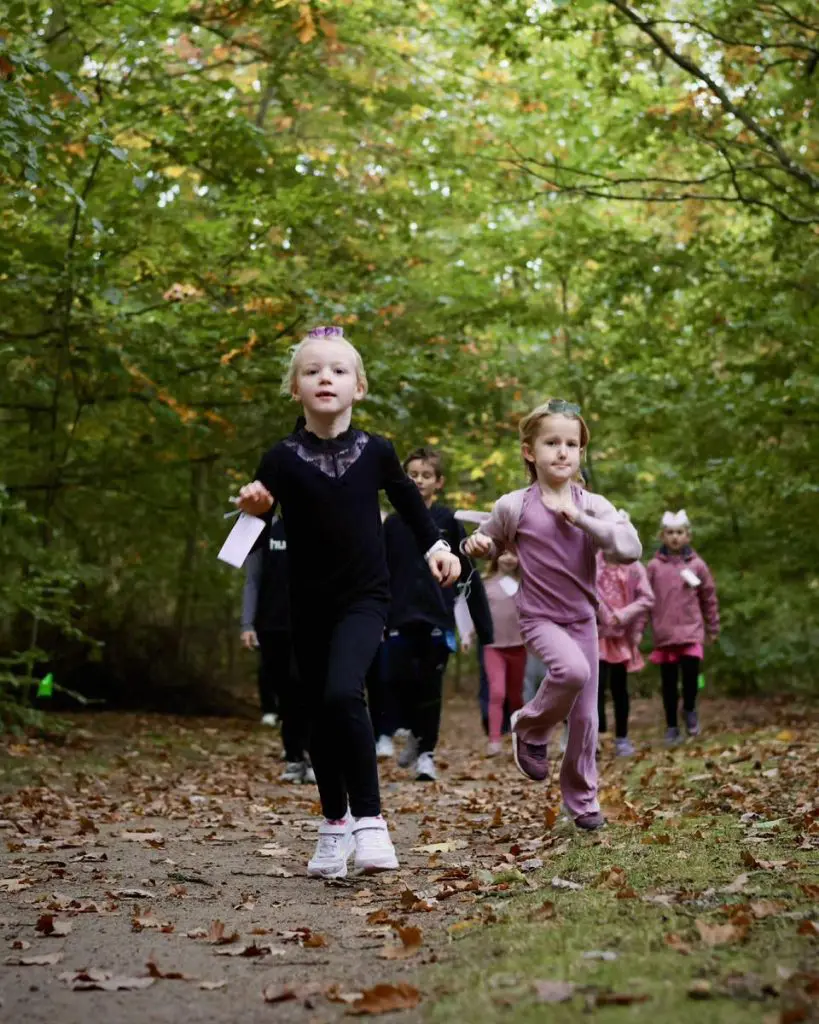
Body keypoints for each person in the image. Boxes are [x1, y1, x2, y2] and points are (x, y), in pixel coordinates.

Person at [236, 326, 461, 878]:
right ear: (296, 388)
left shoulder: (377, 451)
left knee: (343, 692)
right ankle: (333, 826)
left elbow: (410, 505)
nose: (325, 378)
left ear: (358, 386)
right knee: (318, 710)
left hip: (366, 598)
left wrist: (438, 548)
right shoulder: (280, 458)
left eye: (338, 370)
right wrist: (253, 511)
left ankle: (370, 821)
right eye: (312, 371)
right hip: (305, 605)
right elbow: (244, 542)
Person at [463, 398, 642, 831]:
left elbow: (630, 549)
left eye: (571, 444)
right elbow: (485, 540)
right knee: (572, 671)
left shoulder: (593, 504)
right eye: (552, 443)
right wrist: (478, 545)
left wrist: (581, 520)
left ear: (581, 452)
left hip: (582, 620)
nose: (563, 451)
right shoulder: (514, 505)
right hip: (539, 618)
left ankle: (581, 802)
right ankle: (529, 725)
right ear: (530, 451)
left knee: (586, 718)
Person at [383, 447, 493, 781]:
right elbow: (380, 572)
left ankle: (426, 753)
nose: (419, 481)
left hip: (437, 616)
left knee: (430, 687)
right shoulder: (392, 524)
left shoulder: (448, 522)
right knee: (400, 682)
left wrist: (484, 627)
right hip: (399, 616)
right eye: (412, 475)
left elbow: (469, 574)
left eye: (426, 475)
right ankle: (413, 733)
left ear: (439, 482)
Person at [240, 516, 314, 783]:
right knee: (286, 693)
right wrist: (247, 623)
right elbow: (253, 579)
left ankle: (314, 757)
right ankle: (294, 757)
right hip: (272, 625)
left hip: (311, 625)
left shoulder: (320, 525)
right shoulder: (263, 528)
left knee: (307, 688)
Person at [647, 509, 719, 745]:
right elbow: (644, 599)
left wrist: (713, 627)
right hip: (665, 634)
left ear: (688, 536)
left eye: (679, 532)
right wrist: (636, 630)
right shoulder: (654, 567)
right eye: (670, 533)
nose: (675, 537)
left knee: (691, 677)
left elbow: (709, 597)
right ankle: (671, 726)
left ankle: (689, 709)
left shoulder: (697, 565)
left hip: (691, 632)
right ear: (662, 536)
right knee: (669, 684)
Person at [596, 549, 654, 756]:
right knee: (596, 687)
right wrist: (603, 614)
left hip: (621, 637)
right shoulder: (592, 563)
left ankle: (622, 737)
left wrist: (628, 619)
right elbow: (583, 592)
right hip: (596, 635)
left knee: (619, 687)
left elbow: (646, 599)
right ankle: (597, 736)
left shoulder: (634, 568)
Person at [482, 550, 526, 757]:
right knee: (497, 693)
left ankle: (521, 737)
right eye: (504, 554)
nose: (509, 558)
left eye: (513, 554)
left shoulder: (525, 584)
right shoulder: (486, 584)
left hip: (519, 647)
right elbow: (474, 611)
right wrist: (468, 634)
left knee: (516, 696)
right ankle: (494, 740)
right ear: (495, 557)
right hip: (493, 647)